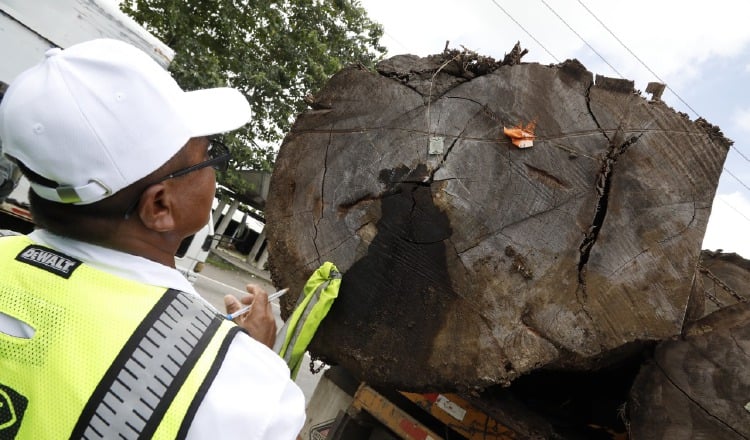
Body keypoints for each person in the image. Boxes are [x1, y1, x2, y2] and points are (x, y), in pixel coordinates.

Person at [0, 39, 305, 439]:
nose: (215, 173)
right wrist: (243, 363)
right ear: (160, 205)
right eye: (210, 155)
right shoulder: (239, 386)